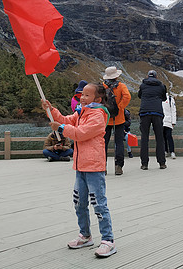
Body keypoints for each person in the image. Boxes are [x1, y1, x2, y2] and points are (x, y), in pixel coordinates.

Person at [41, 83, 116, 258]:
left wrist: (60, 128)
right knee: (79, 202)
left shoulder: (98, 115)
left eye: (87, 95)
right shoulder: (81, 112)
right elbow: (65, 120)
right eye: (82, 94)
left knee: (98, 203)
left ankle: (108, 240)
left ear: (97, 99)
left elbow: (81, 133)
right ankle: (85, 235)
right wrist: (50, 109)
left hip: (94, 167)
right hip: (80, 166)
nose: (82, 97)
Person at [102, 66, 131, 176]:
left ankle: (102, 167)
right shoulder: (121, 86)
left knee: (103, 143)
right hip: (119, 119)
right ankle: (118, 166)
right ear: (116, 76)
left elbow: (98, 100)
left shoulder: (102, 86)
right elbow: (127, 97)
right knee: (119, 143)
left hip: (105, 119)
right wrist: (120, 107)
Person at [138, 70, 167, 170]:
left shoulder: (143, 85)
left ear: (147, 75)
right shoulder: (162, 86)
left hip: (144, 112)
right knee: (159, 138)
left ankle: (144, 164)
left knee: (144, 138)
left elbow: (139, 95)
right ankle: (162, 163)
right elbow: (164, 98)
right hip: (157, 112)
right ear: (156, 76)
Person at [162, 93, 177, 159]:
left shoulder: (170, 99)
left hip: (168, 121)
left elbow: (173, 111)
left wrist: (173, 122)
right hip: (160, 121)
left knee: (169, 136)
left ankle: (172, 151)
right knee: (162, 137)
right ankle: (165, 151)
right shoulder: (157, 98)